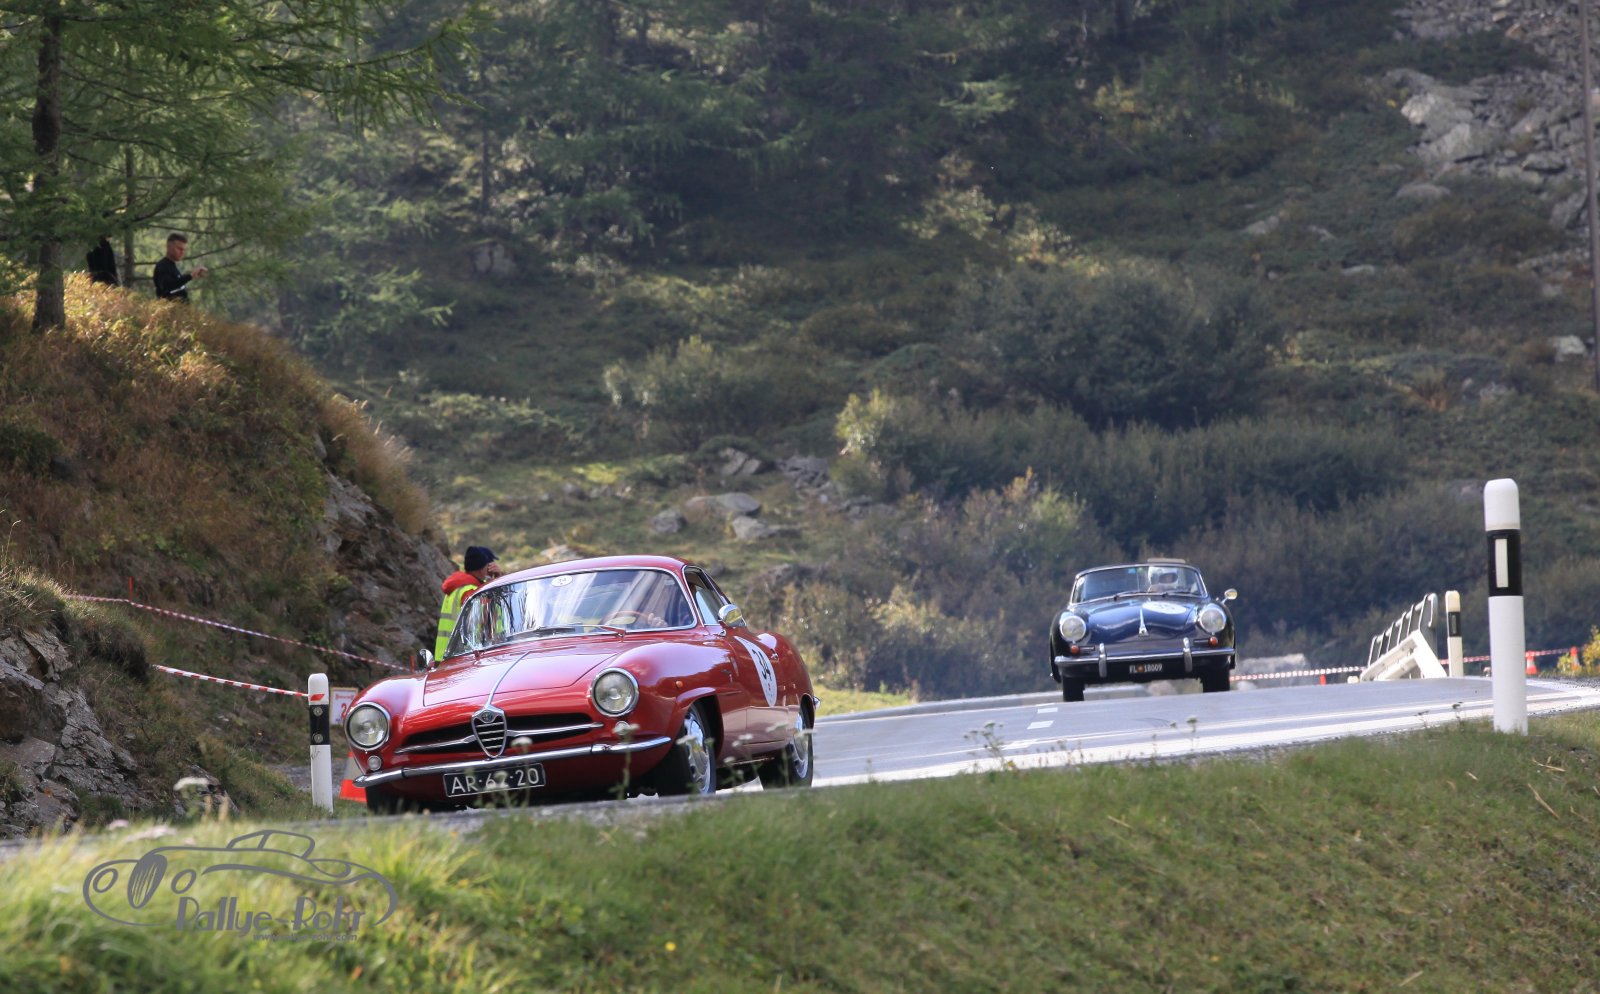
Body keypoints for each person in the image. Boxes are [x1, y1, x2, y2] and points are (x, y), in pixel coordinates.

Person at [435, 546, 502, 658]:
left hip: (447, 657)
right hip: (463, 657)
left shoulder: (458, 588)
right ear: (484, 568)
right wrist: (496, 582)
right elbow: (485, 621)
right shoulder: (471, 591)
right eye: (490, 564)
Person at [152, 232, 208, 302]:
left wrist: (191, 276)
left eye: (184, 250)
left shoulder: (172, 266)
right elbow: (167, 286)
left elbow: (177, 285)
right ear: (169, 247)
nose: (182, 252)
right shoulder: (162, 266)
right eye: (179, 249)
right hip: (170, 308)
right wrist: (190, 276)